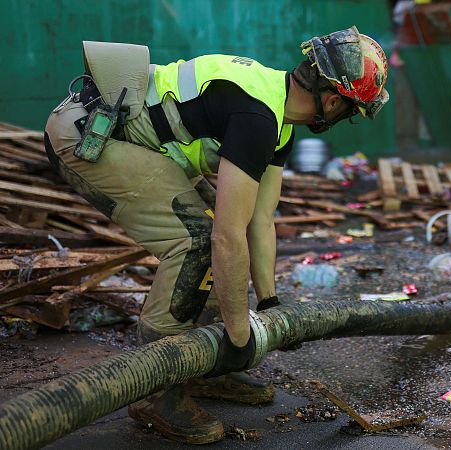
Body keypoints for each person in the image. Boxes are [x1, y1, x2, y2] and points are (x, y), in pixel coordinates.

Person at [43, 26, 389, 444]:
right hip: (90, 132)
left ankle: (203, 366)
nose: (345, 118)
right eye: (351, 111)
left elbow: (260, 220)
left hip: (119, 131)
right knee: (195, 241)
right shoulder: (258, 115)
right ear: (334, 101)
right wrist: (241, 335)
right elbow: (226, 237)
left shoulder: (277, 120)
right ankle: (156, 391)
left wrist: (270, 301)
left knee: (210, 234)